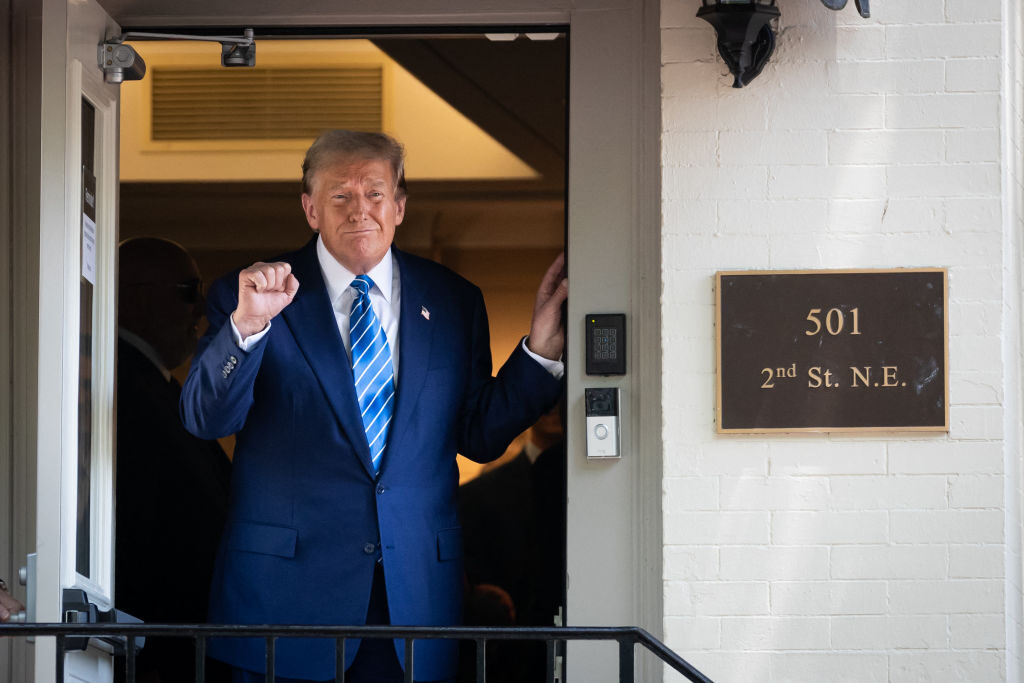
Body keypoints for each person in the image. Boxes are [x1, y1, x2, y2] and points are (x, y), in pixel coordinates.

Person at [180, 130, 567, 683]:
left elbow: (477, 434)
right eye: (339, 196)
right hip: (285, 605)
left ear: (400, 206)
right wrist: (247, 326)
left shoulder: (455, 300)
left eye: (375, 194)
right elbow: (206, 418)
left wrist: (539, 355)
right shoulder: (249, 295)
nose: (359, 209)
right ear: (310, 209)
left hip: (413, 602)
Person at [116, 237, 232, 683]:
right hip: (155, 649)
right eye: (188, 290)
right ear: (140, 297)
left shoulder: (154, 387)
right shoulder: (121, 386)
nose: (200, 309)